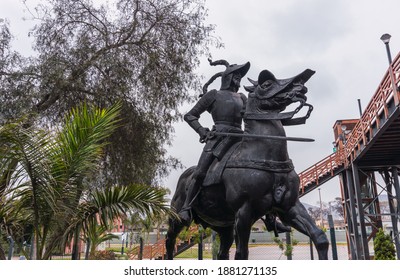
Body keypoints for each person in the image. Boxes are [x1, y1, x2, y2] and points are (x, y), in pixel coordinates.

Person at [178, 59, 250, 225]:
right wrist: (202, 131)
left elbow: (251, 117)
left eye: (241, 75)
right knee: (200, 172)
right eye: (236, 74)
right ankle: (186, 207)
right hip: (218, 139)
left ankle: (270, 218)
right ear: (228, 77)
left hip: (240, 139)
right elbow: (190, 115)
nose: (239, 77)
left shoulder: (242, 97)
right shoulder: (213, 95)